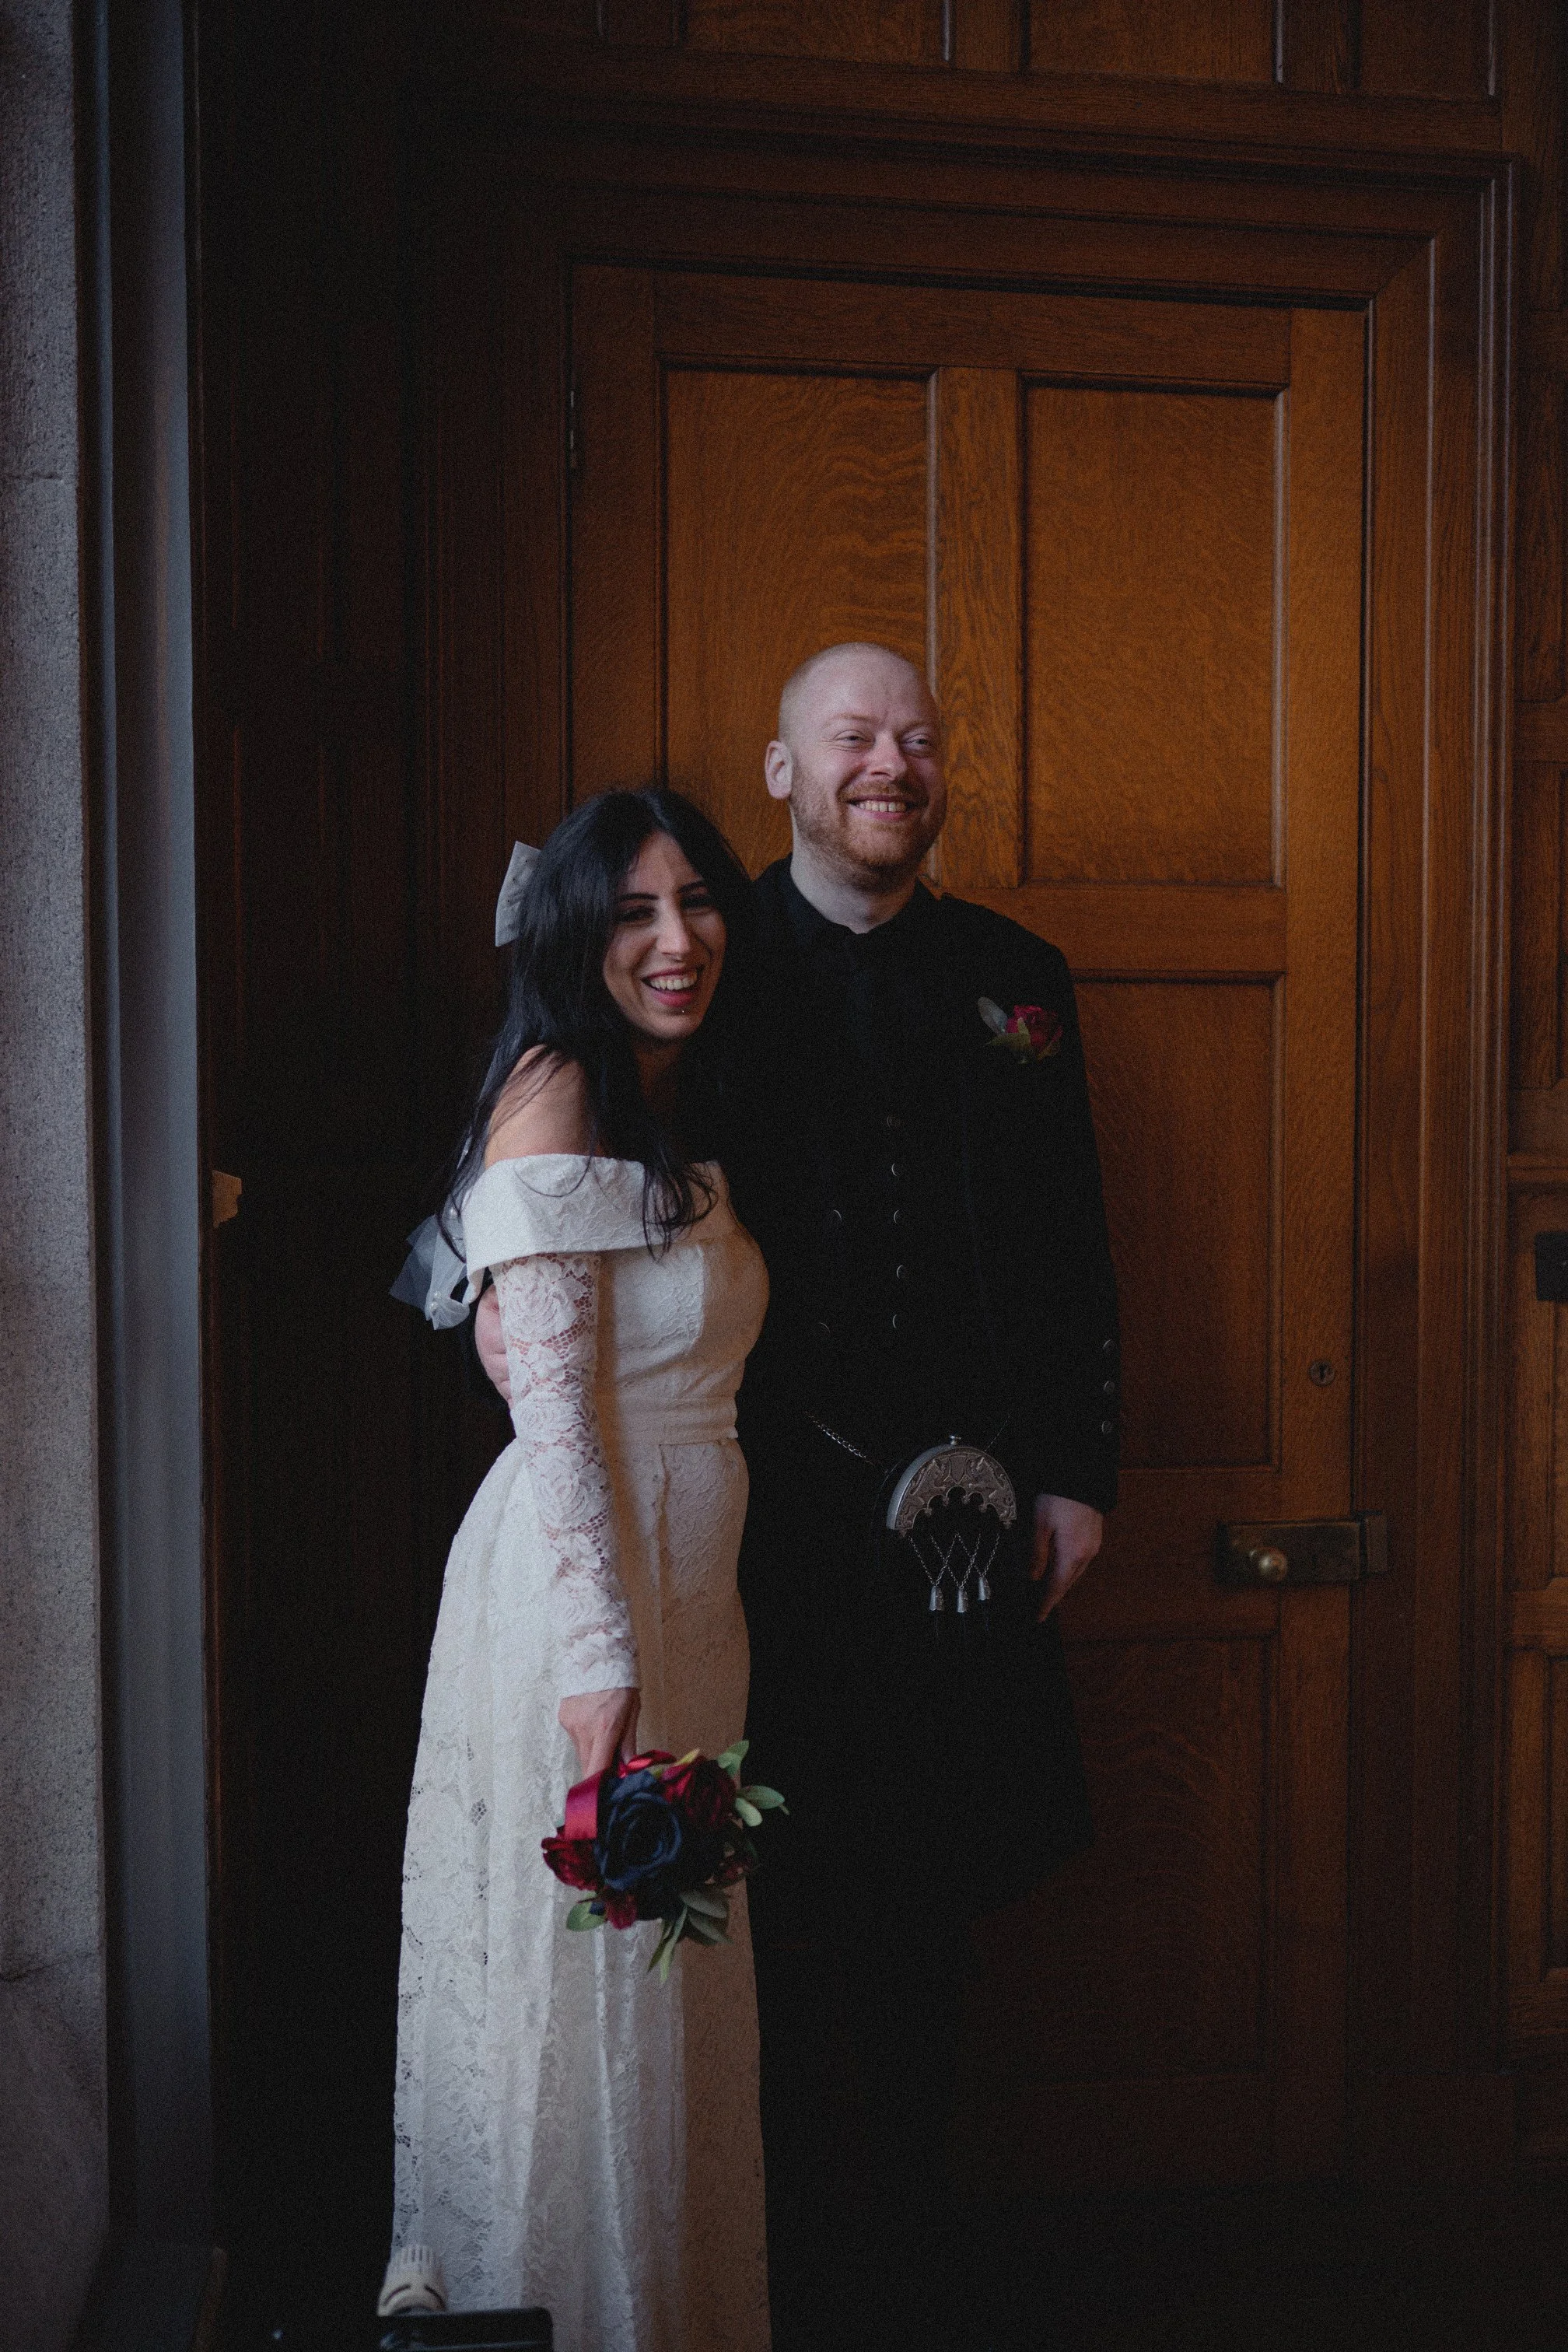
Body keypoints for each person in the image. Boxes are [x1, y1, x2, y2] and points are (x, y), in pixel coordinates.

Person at [698, 642, 1120, 2352]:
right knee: (770, 1886)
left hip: (973, 1512)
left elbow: (1076, 1242)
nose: (895, 762)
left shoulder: (1019, 978)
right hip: (756, 1525)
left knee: (937, 1888)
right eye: (854, 737)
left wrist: (1080, 1476)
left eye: (920, 739)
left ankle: (920, 2239)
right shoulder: (695, 959)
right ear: (785, 771)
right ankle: (776, 2246)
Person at [382, 787, 772, 2352]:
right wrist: (602, 1661)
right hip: (583, 1593)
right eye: (631, 914)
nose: (676, 942)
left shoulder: (653, 1102)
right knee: (584, 1994)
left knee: (661, 1993)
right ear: (570, 936)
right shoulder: (555, 1094)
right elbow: (552, 1411)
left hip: (686, 1587)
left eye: (695, 903)